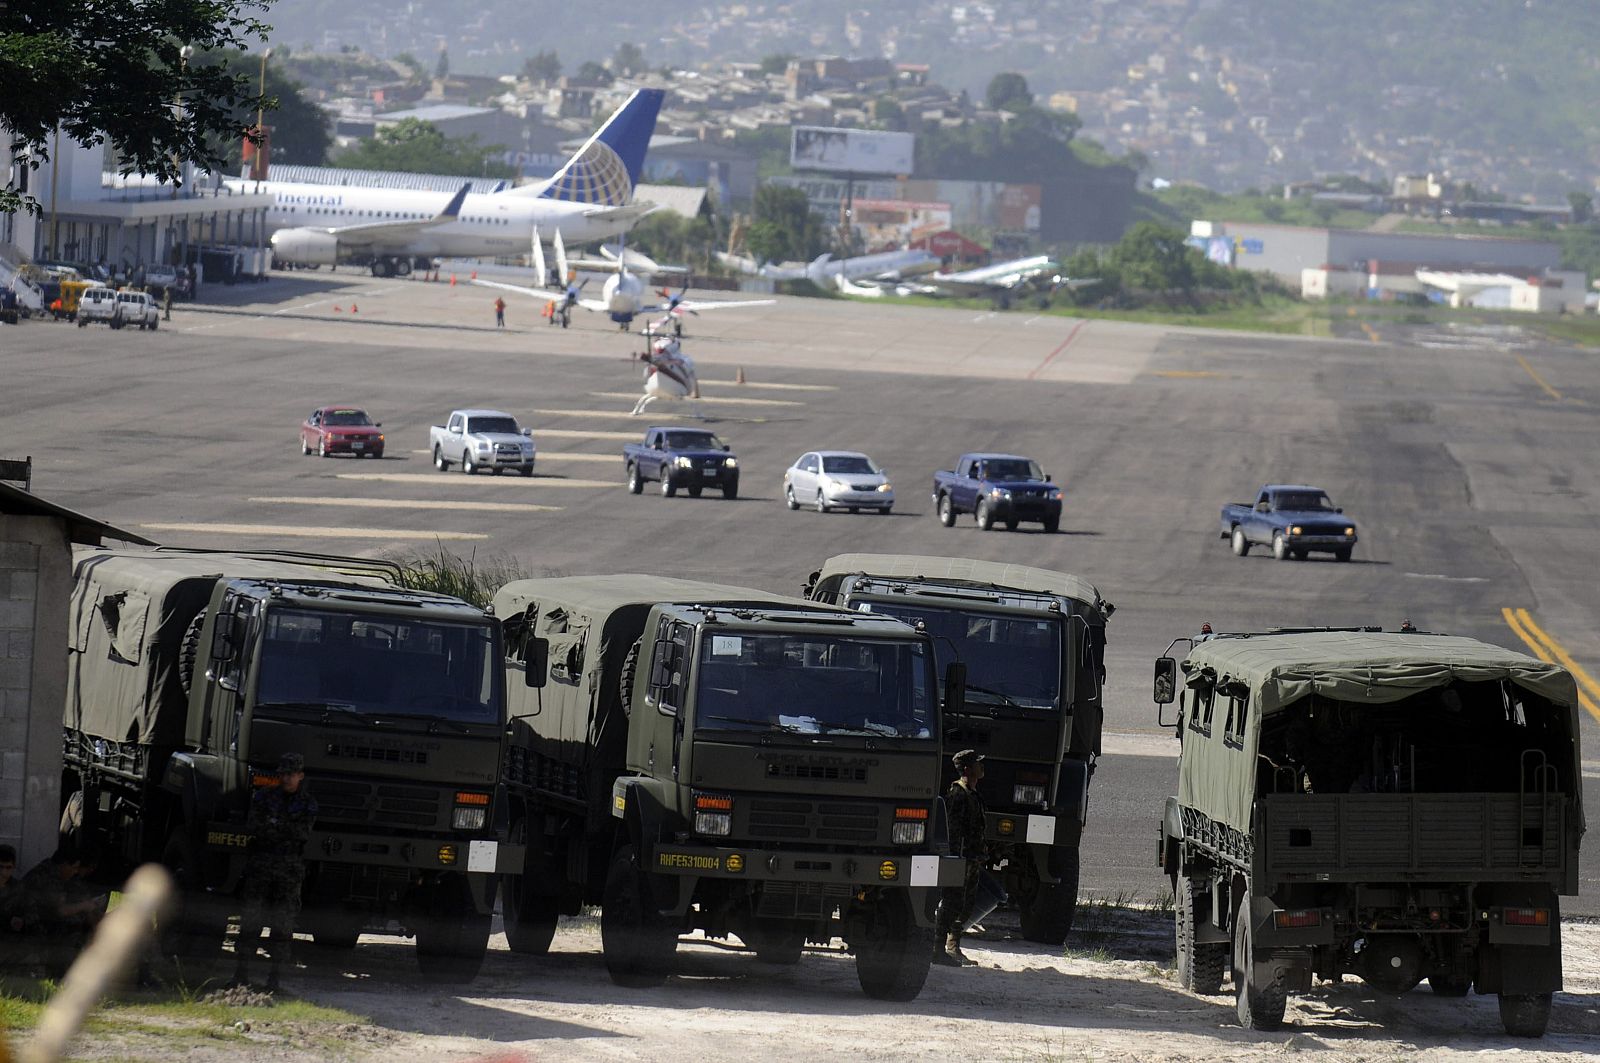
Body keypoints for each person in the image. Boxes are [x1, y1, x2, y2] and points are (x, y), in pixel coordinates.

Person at [232, 752, 318, 992]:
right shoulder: (263, 797)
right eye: (282, 774)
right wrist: (281, 827)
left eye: (291, 774)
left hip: (288, 871)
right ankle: (241, 975)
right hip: (260, 867)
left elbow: (301, 834)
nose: (286, 778)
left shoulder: (308, 803)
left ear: (300, 776)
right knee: (251, 920)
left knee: (282, 925)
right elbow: (256, 827)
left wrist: (275, 824)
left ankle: (274, 979)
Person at [934, 748, 987, 967]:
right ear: (967, 769)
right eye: (977, 763)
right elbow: (953, 830)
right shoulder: (958, 793)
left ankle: (953, 945)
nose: (981, 766)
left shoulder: (973, 793)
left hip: (972, 858)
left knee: (966, 904)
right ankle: (938, 948)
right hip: (961, 858)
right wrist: (955, 859)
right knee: (952, 902)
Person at [19, 843, 105, 975]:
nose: (76, 871)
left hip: (42, 919)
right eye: (74, 867)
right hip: (30, 923)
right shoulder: (48, 876)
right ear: (64, 864)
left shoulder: (54, 872)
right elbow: (61, 910)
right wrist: (85, 906)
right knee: (74, 925)